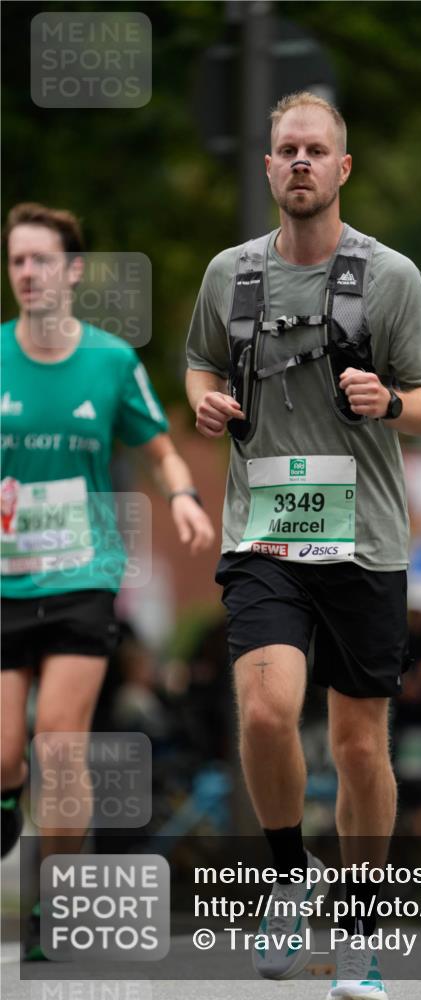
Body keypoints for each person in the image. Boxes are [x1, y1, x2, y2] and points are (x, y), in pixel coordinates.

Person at [185, 91, 421, 998]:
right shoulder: (229, 274)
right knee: (264, 710)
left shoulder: (391, 277)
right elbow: (200, 362)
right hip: (264, 534)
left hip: (363, 541)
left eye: (316, 151)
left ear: (342, 169)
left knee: (356, 746)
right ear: (266, 167)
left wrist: (390, 402)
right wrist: (204, 399)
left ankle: (363, 933)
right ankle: (286, 873)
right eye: (284, 150)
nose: (299, 162)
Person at [0, 202, 215, 958]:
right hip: (4, 581)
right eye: (17, 260)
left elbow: (159, 449)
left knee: (59, 746)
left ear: (73, 271)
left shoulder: (111, 362)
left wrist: (184, 495)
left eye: (42, 260)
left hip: (84, 575)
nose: (28, 273)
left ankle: (50, 910)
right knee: (6, 755)